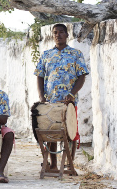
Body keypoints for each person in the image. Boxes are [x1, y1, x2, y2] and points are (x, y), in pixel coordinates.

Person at [34, 23, 89, 169]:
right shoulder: (46, 55)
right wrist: (41, 97)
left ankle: (69, 164)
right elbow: (39, 76)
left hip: (68, 101)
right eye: (55, 32)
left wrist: (72, 94)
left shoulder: (76, 54)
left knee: (70, 132)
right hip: (51, 102)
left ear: (67, 35)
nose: (58, 35)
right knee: (51, 132)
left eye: (61, 32)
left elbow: (81, 76)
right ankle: (53, 164)